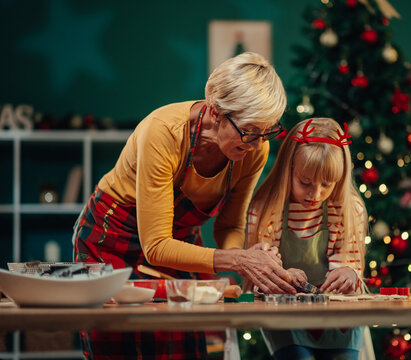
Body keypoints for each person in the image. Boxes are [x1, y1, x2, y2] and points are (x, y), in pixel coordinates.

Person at [73, 52, 294, 360]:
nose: (258, 144)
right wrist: (238, 260)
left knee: (182, 346)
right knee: (117, 345)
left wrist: (247, 256)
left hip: (179, 242)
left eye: (266, 131)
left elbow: (230, 225)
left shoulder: (253, 149)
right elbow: (157, 246)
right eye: (250, 131)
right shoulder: (163, 131)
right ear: (216, 112)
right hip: (113, 237)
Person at [246, 118, 369, 360]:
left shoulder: (348, 209)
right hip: (285, 316)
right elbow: (259, 274)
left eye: (327, 184)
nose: (316, 194)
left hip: (339, 317)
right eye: (305, 183)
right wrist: (281, 275)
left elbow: (349, 262)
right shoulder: (266, 209)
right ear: (287, 169)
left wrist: (348, 273)